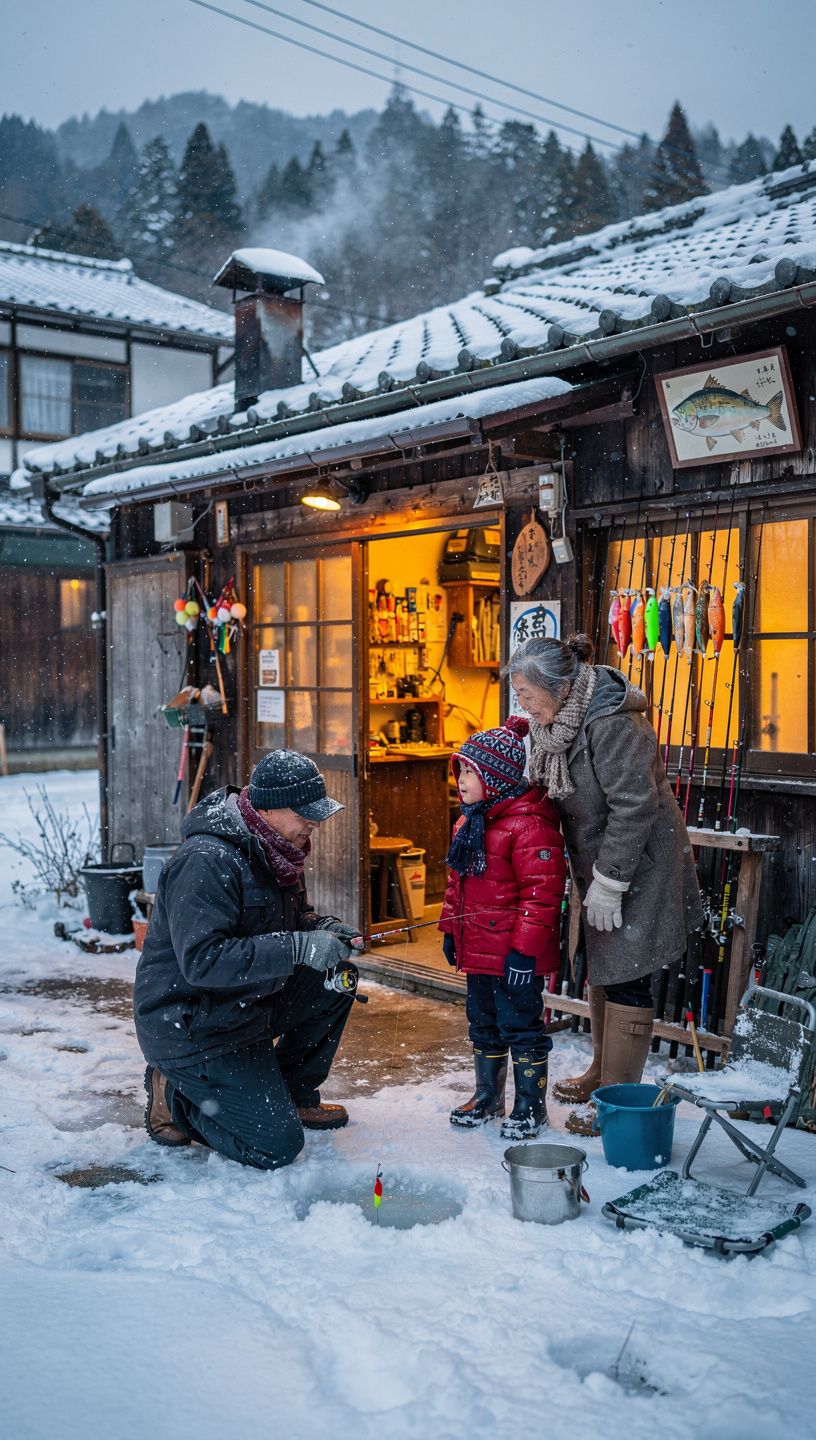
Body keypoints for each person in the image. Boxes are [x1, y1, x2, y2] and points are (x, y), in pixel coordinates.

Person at [507, 633, 704, 1134]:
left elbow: (635, 806)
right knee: (604, 964)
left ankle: (617, 1101)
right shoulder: (556, 724)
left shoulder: (613, 722)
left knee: (628, 972)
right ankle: (601, 1073)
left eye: (528, 692)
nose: (522, 702)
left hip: (639, 865)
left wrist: (611, 881)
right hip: (599, 862)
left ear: (561, 686)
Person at [134, 751, 363, 1169]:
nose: (314, 824)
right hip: (194, 1023)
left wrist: (323, 929)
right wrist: (298, 947)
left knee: (336, 976)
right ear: (267, 807)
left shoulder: (281, 849)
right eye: (305, 814)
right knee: (276, 1148)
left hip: (246, 1003)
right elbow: (203, 960)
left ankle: (293, 1095)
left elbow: (293, 920)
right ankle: (176, 1098)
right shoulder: (206, 860)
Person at [438, 716, 566, 1139]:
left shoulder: (529, 825)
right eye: (460, 770)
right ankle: (487, 1095)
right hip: (479, 951)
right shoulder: (469, 823)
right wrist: (450, 932)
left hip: (515, 957)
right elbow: (456, 885)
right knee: (483, 1023)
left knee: (522, 1027)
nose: (461, 779)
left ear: (495, 776)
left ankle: (530, 1106)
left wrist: (524, 952)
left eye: (470, 771)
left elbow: (542, 895)